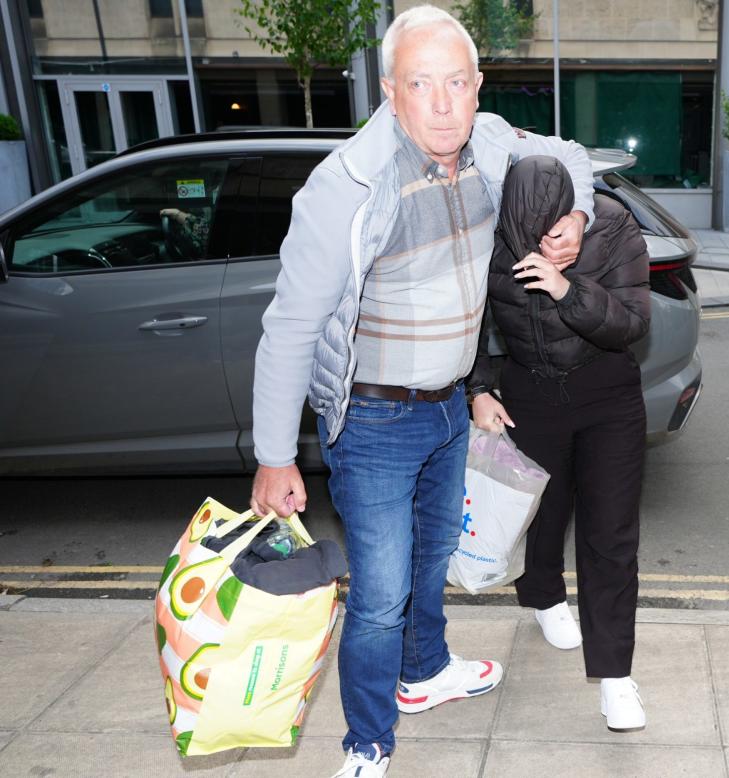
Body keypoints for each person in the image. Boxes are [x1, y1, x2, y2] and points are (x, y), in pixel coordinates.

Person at [247, 7, 598, 777]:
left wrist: (572, 211)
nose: (441, 104)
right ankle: (366, 743)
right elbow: (290, 330)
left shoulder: (491, 145)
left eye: (455, 83)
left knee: (435, 552)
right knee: (377, 595)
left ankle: (425, 671)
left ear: (477, 87)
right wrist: (276, 458)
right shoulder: (346, 187)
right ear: (389, 92)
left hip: (448, 407)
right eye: (419, 83)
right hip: (372, 417)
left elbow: (570, 156)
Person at [467, 155, 651, 732]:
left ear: (573, 215)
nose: (540, 241)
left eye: (552, 227)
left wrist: (568, 290)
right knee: (539, 517)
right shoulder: (489, 237)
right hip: (529, 392)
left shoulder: (611, 226)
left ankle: (616, 678)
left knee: (610, 535)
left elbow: (631, 323)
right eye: (528, 230)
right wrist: (477, 388)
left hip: (607, 393)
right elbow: (466, 318)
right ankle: (544, 598)